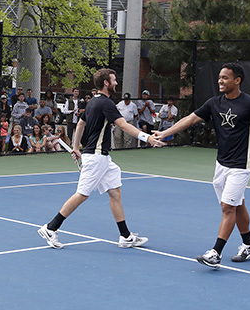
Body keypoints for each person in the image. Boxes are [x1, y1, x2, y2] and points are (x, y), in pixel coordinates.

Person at [154, 63, 250, 268]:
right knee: (237, 205)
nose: (220, 81)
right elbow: (190, 119)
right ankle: (249, 245)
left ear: (237, 80)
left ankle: (215, 252)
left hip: (241, 165)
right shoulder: (214, 103)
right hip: (221, 164)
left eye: (225, 77)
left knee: (227, 207)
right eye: (219, 77)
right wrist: (164, 133)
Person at [37, 68, 162, 250]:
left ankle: (125, 236)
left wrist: (75, 147)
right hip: (96, 157)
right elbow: (123, 125)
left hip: (102, 158)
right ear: (106, 82)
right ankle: (51, 227)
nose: (116, 83)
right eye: (114, 79)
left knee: (115, 192)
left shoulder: (92, 102)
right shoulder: (106, 103)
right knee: (82, 194)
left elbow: (80, 124)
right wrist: (147, 137)